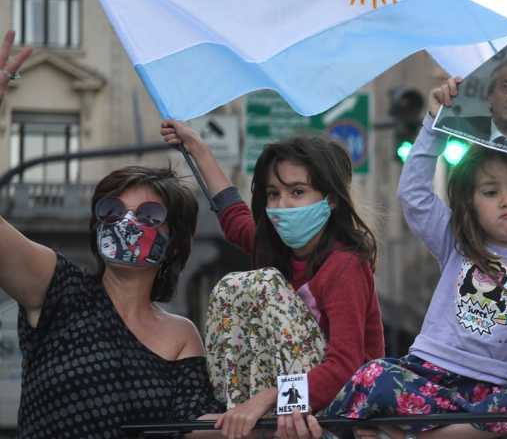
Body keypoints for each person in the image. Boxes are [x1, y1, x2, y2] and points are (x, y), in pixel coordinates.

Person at [326, 77, 507, 439]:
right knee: (371, 376)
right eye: (491, 191)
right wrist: (434, 122)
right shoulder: (457, 243)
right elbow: (415, 195)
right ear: (471, 204)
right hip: (430, 384)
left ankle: (420, 435)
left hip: (501, 396)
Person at [161, 121, 385, 438]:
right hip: (287, 401)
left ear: (331, 199)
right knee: (231, 286)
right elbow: (233, 217)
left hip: (344, 404)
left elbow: (344, 366)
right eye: (273, 194)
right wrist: (199, 149)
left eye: (297, 192)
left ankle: (256, 410)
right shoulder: (276, 248)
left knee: (261, 283)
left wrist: (269, 399)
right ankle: (237, 410)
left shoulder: (344, 264)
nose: (282, 206)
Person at [2, 164, 226, 438]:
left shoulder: (181, 334)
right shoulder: (59, 289)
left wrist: (260, 418)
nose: (126, 222)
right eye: (112, 210)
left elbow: (195, 423)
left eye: (149, 215)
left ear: (175, 242)